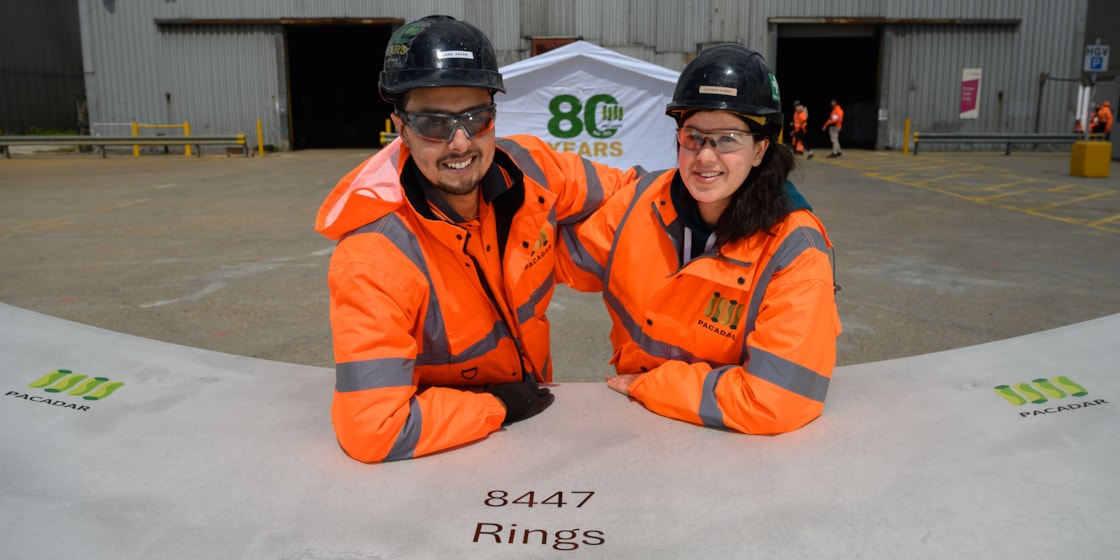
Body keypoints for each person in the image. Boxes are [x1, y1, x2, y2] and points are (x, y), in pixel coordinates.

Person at [314, 15, 639, 463]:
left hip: (536, 429)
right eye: (434, 122)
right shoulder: (374, 259)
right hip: (446, 453)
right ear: (400, 126)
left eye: (476, 117)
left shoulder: (531, 170)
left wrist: (570, 253)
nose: (461, 142)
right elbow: (375, 430)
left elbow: (640, 197)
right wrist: (498, 406)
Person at [560, 44, 841, 434]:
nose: (705, 157)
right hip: (641, 425)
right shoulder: (640, 203)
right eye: (693, 136)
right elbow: (552, 261)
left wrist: (651, 384)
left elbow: (775, 402)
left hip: (729, 446)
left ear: (760, 149)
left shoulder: (794, 252)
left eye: (727, 139)